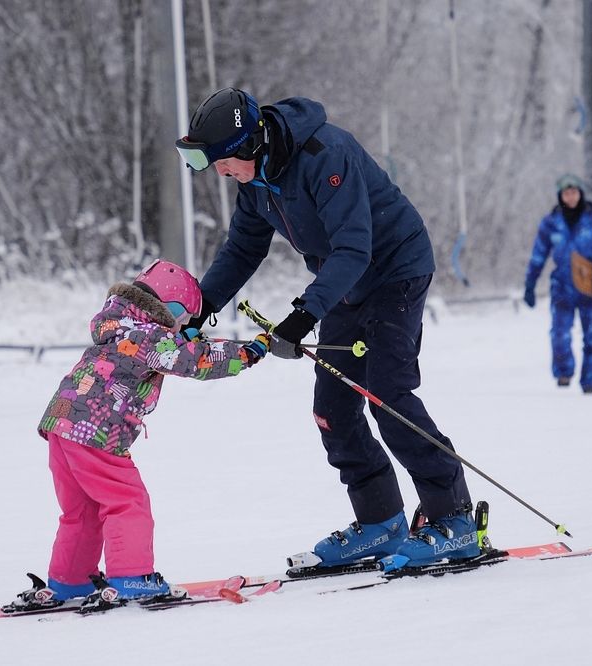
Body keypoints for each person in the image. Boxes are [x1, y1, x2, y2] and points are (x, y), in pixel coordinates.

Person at [175, 87, 480, 568]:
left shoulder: (326, 155)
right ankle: (381, 521)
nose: (221, 171)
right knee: (332, 407)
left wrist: (303, 314)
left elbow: (354, 248)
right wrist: (201, 305)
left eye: (224, 160)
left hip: (395, 270)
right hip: (344, 282)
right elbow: (243, 249)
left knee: (387, 394)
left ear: (251, 143)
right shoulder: (254, 179)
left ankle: (455, 519)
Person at [7, 259, 270, 614]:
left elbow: (165, 348)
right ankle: (131, 577)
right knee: (127, 502)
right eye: (183, 319)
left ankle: (71, 579)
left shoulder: (120, 323)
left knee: (82, 509)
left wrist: (180, 339)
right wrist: (247, 353)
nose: (183, 327)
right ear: (170, 308)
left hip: (62, 423)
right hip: (95, 430)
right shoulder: (150, 336)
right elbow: (197, 361)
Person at [523, 173, 592, 394]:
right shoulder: (551, 223)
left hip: (590, 287)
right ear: (560, 196)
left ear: (581, 194)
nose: (571, 197)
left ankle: (591, 381)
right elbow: (539, 255)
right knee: (559, 334)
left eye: (574, 192)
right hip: (562, 287)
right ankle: (564, 372)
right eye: (566, 193)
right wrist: (530, 283)